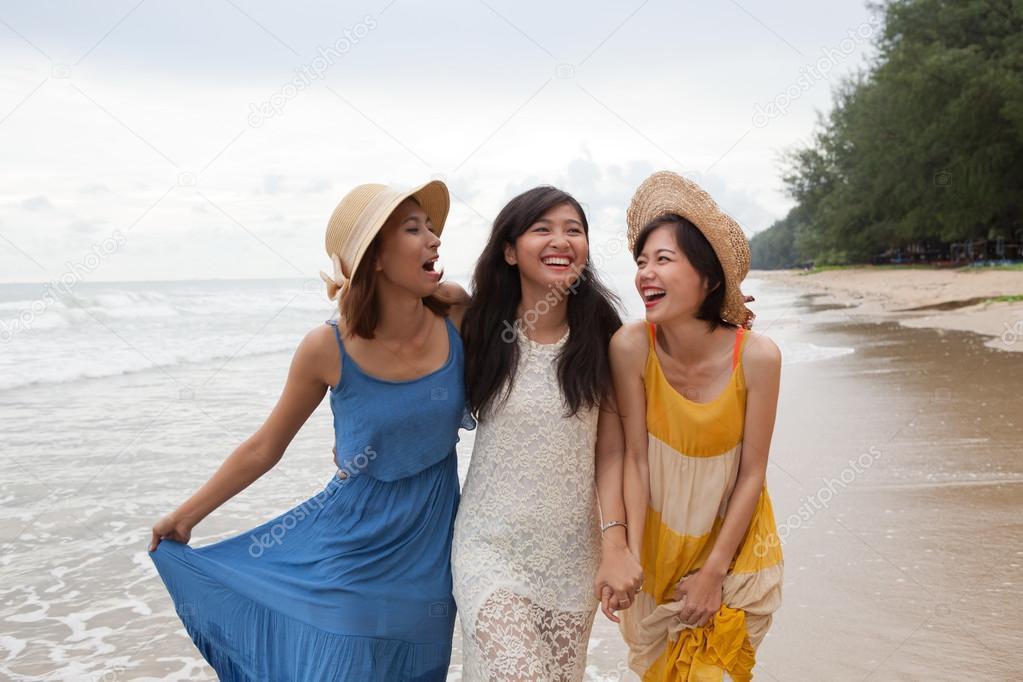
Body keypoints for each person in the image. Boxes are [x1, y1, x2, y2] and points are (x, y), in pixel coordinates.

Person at [148, 179, 474, 681]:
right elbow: (264, 447)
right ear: (376, 259)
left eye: (432, 229)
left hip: (431, 553)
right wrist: (187, 515)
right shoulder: (327, 348)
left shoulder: (455, 313)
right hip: (350, 549)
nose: (434, 239)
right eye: (414, 230)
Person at [450, 186, 643, 681]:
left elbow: (612, 450)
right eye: (543, 229)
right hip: (487, 548)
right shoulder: (476, 326)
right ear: (510, 251)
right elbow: (392, 330)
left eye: (573, 230)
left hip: (572, 557)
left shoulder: (604, 336)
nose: (561, 240)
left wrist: (617, 548)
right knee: (518, 673)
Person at [611, 171, 784, 682]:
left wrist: (713, 573)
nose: (645, 273)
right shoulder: (630, 347)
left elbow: (753, 473)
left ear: (708, 278)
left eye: (663, 259)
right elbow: (636, 461)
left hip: (734, 558)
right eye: (641, 262)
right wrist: (629, 560)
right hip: (658, 558)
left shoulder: (758, 357)